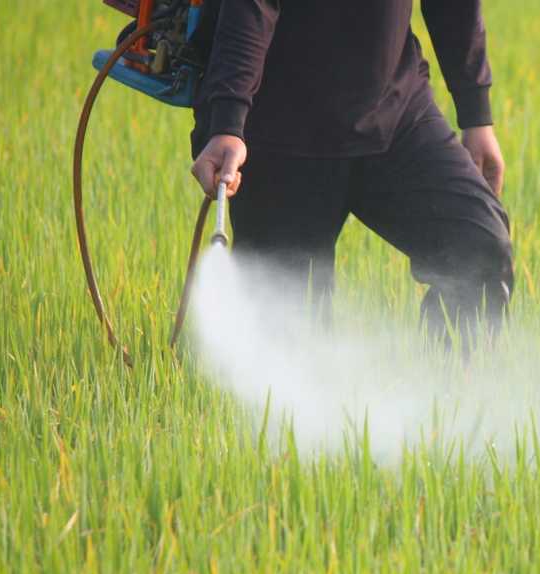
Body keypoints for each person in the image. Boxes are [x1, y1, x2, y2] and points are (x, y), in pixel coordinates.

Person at [189, 0, 513, 347]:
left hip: (396, 111)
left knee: (479, 251)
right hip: (279, 135)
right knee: (290, 340)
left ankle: (446, 395)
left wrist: (476, 114)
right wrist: (228, 123)